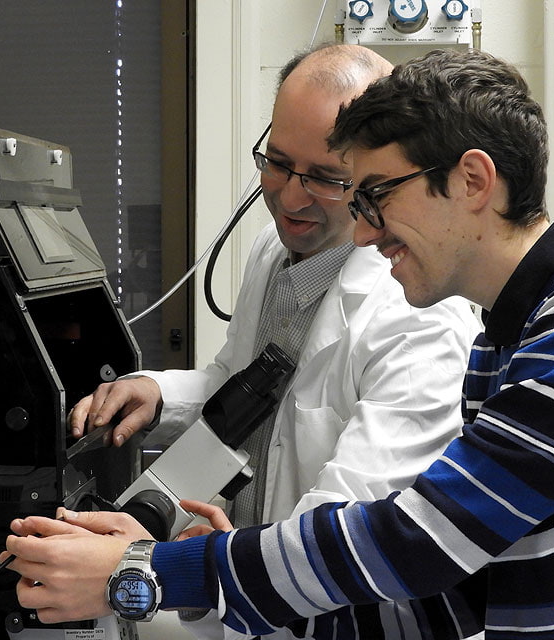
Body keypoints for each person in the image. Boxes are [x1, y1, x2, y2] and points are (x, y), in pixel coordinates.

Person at [3, 47, 554, 639]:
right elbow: (456, 594)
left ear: (472, 181)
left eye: (375, 195)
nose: (367, 230)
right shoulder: (506, 349)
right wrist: (210, 587)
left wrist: (146, 572)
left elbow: (411, 541)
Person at [65, 43, 478, 638]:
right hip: (241, 586)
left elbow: (343, 535)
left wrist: (184, 567)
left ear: (370, 176)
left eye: (326, 179)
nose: (289, 197)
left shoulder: (418, 321)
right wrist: (156, 391)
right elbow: (241, 376)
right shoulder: (272, 248)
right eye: (278, 162)